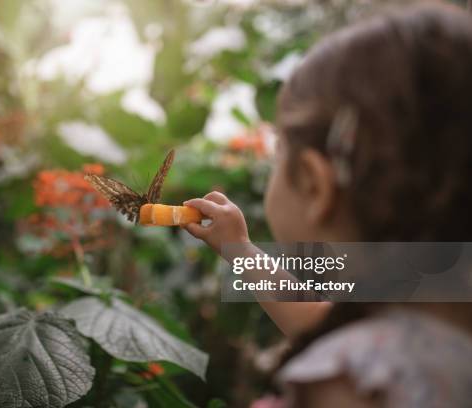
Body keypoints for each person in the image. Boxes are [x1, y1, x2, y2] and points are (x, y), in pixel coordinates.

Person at [184, 2, 472, 406]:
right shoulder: (440, 328)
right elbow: (315, 318)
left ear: (316, 185)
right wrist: (241, 251)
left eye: (277, 155)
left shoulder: (354, 382)